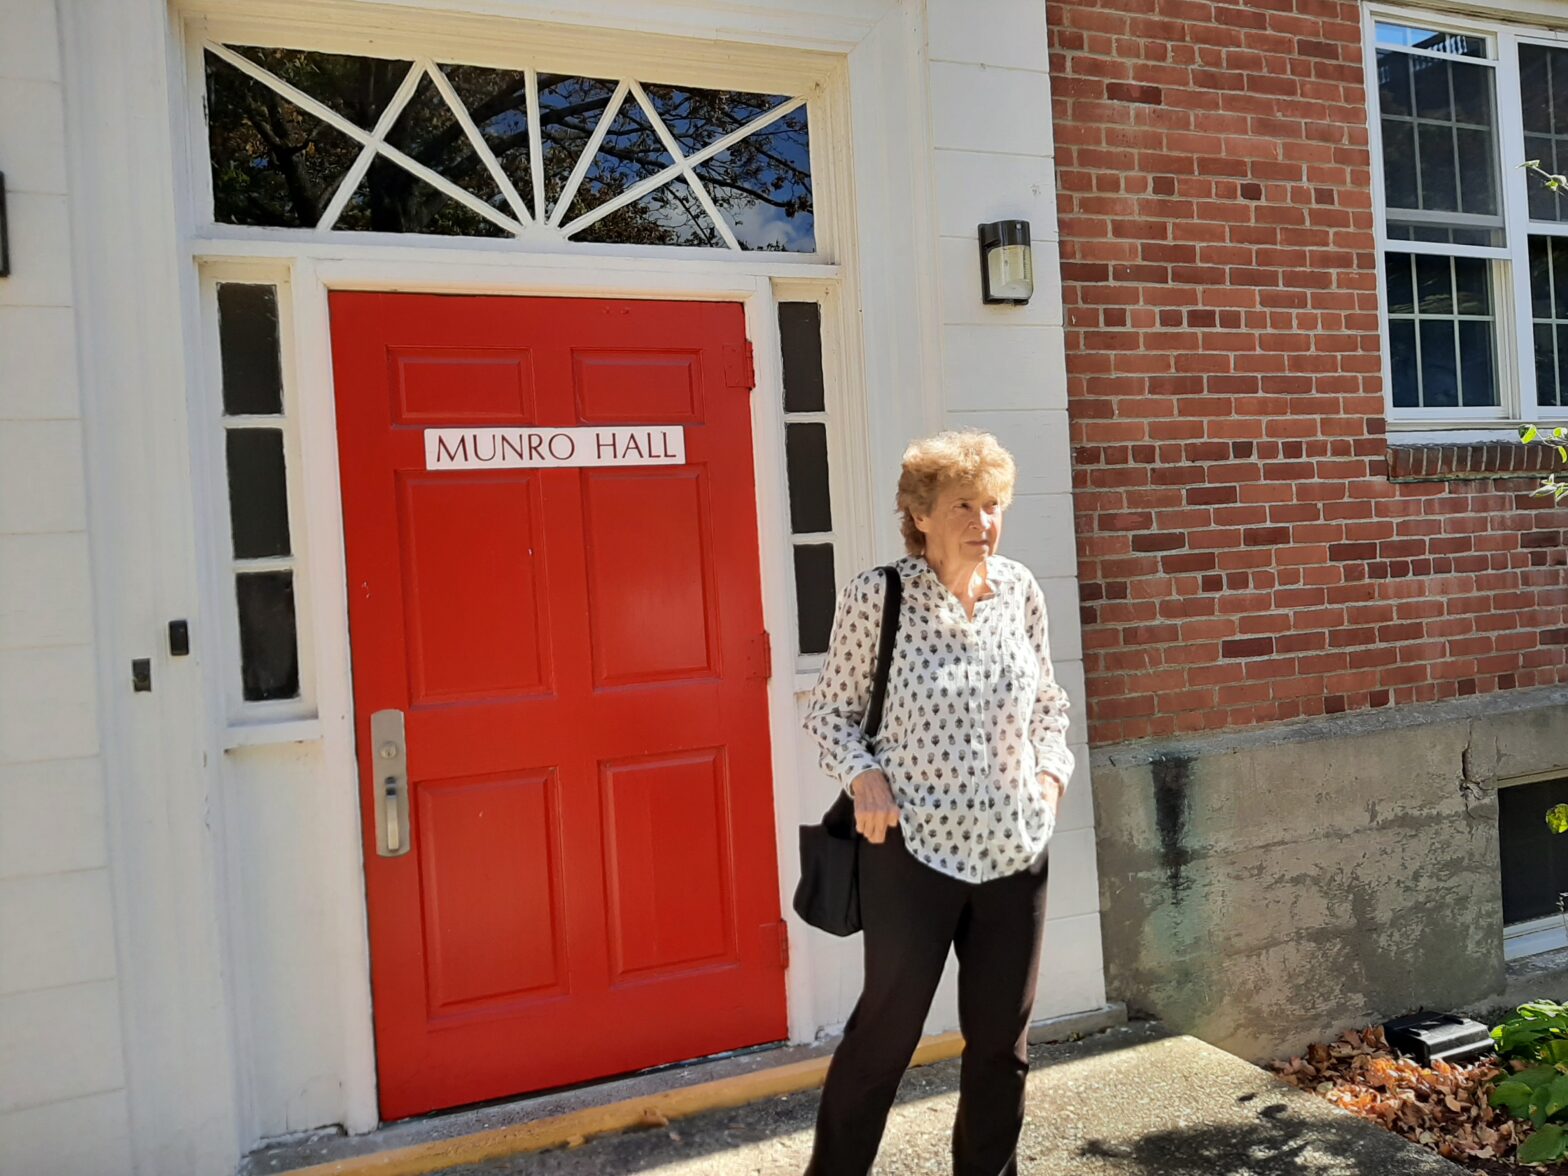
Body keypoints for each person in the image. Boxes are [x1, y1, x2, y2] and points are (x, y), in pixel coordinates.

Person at [801, 429, 1074, 1176]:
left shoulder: (1019, 590)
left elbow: (1050, 703)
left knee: (1000, 1049)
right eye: (963, 505)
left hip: (1016, 851)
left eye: (993, 506)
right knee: (883, 1042)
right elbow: (829, 713)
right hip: (911, 854)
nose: (983, 522)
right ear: (920, 514)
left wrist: (1050, 779)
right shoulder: (878, 596)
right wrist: (865, 776)